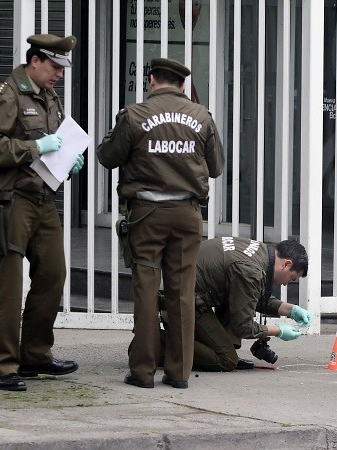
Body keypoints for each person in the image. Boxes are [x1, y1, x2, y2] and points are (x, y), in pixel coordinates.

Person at [97, 58, 225, 389]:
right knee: (182, 293)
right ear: (183, 85)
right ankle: (179, 373)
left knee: (146, 291)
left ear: (152, 80)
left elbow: (106, 156)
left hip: (147, 216)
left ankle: (142, 371)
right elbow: (216, 167)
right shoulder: (202, 117)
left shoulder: (134, 116)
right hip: (187, 215)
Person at [0, 34, 84, 392]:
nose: (59, 75)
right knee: (8, 283)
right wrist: (34, 146)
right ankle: (4, 366)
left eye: (62, 69)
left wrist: (68, 160)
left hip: (42, 198)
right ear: (34, 60)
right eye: (54, 67)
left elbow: (56, 146)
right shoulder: (6, 95)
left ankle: (35, 355)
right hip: (11, 199)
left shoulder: (49, 97)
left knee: (54, 273)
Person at [152, 237, 311, 372]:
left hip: (179, 286)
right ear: (286, 264)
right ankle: (152, 345)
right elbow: (243, 326)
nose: (287, 284)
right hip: (179, 298)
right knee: (226, 359)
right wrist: (279, 331)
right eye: (292, 279)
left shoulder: (258, 252)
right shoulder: (250, 270)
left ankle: (215, 344)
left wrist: (291, 310)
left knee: (236, 301)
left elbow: (250, 296)